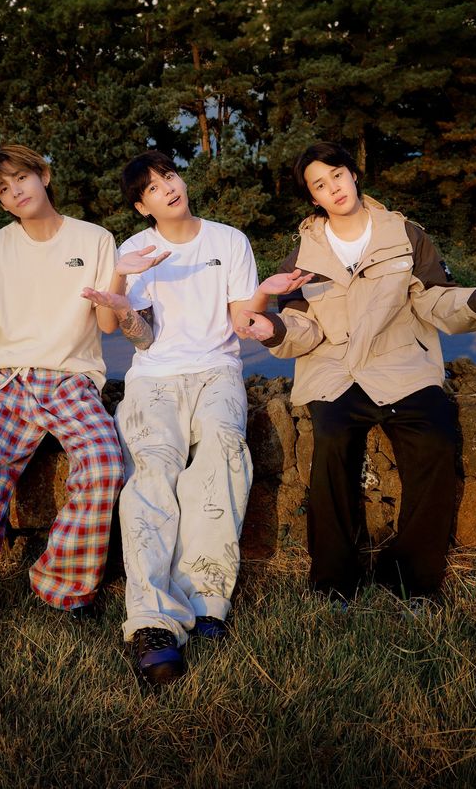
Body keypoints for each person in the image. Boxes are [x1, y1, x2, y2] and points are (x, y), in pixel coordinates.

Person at [0, 143, 162, 678]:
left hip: (71, 380)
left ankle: (61, 586)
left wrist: (121, 278)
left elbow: (108, 327)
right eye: (3, 188)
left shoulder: (95, 238)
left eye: (21, 178)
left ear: (44, 174)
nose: (15, 191)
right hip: (10, 380)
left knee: (105, 464)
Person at [238, 141, 476, 602]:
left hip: (402, 364)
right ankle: (335, 582)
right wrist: (271, 327)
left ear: (353, 174)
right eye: (320, 185)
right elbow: (303, 329)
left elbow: (435, 299)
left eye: (336, 175)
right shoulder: (301, 257)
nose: (332, 188)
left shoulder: (405, 234)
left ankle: (412, 581)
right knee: (332, 445)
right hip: (335, 369)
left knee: (436, 439)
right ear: (314, 198)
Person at [82, 151, 310, 685]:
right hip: (154, 377)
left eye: (170, 176)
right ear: (142, 206)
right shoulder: (135, 249)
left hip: (216, 371)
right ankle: (151, 620)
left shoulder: (229, 240)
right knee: (152, 472)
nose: (168, 188)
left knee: (222, 454)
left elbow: (237, 319)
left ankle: (207, 598)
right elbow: (140, 336)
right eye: (153, 187)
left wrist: (264, 295)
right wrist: (121, 300)